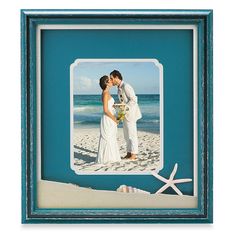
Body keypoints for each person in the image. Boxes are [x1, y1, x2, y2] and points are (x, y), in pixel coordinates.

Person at [110, 70, 142, 160]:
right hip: (125, 114)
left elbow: (134, 100)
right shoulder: (119, 88)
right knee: (126, 135)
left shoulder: (126, 86)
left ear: (117, 77)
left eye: (112, 78)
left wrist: (124, 107)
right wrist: (119, 107)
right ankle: (129, 153)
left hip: (131, 115)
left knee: (132, 135)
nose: (111, 80)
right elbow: (123, 101)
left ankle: (134, 154)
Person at [96, 75, 121, 164]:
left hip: (110, 117)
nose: (111, 81)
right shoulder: (105, 93)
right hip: (108, 118)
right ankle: (107, 159)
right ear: (106, 83)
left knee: (111, 137)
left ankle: (112, 157)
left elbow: (110, 106)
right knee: (108, 137)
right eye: (109, 80)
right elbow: (106, 110)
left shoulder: (106, 92)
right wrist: (115, 119)